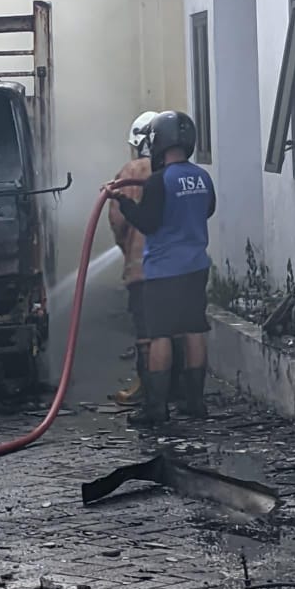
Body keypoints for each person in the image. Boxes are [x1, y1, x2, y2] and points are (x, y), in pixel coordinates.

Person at [108, 110, 216, 425]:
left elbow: (148, 223)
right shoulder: (202, 177)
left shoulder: (159, 181)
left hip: (164, 272)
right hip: (196, 267)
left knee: (160, 336)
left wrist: (123, 202)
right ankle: (195, 402)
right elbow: (207, 210)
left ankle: (156, 409)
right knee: (195, 330)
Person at [107, 111, 158, 408]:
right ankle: (172, 387)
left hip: (140, 267)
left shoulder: (130, 172)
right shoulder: (171, 169)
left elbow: (117, 219)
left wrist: (126, 249)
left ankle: (148, 389)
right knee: (170, 328)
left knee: (145, 331)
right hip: (174, 269)